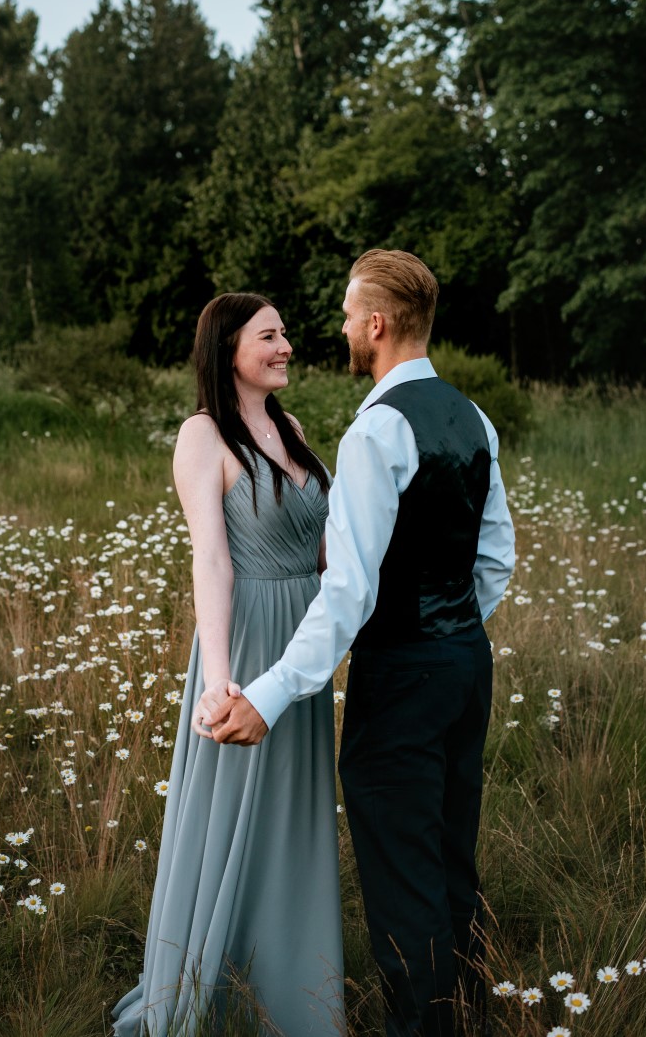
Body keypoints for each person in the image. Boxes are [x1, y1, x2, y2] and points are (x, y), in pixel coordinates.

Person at [198, 250, 516, 1037]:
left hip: (404, 679)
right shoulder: (473, 416)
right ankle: (464, 1012)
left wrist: (268, 696)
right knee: (450, 860)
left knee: (404, 880)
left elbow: (348, 590)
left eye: (346, 315)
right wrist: (448, 628)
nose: (339, 328)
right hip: (466, 664)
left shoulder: (377, 431)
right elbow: (497, 558)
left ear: (376, 324)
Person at [112, 293, 344, 1037]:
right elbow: (210, 559)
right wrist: (218, 678)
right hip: (245, 642)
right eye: (268, 336)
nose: (285, 346)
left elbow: (326, 549)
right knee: (235, 807)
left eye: (285, 335)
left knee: (293, 809)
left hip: (304, 645)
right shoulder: (201, 436)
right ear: (228, 350)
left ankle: (293, 982)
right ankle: (211, 980)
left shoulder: (293, 429)